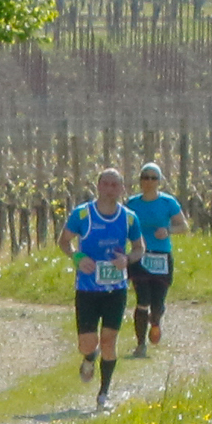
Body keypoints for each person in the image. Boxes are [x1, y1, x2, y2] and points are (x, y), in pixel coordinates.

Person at [61, 166, 140, 408]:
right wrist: (76, 258)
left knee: (109, 340)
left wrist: (126, 259)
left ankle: (103, 394)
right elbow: (64, 241)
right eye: (105, 184)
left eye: (114, 185)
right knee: (88, 342)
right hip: (87, 289)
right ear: (98, 187)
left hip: (115, 289)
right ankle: (89, 356)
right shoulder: (83, 215)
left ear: (122, 189)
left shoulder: (128, 218)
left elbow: (139, 248)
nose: (109, 189)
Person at [127, 159, 183, 356]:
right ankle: (140, 344)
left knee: (157, 302)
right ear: (140, 181)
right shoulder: (132, 204)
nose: (148, 181)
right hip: (139, 255)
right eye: (145, 178)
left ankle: (156, 319)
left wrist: (168, 230)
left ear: (159, 181)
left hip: (161, 256)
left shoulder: (168, 202)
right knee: (142, 299)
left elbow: (183, 226)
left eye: (153, 178)